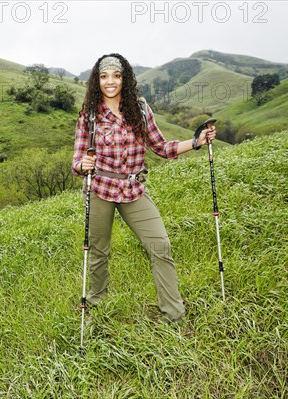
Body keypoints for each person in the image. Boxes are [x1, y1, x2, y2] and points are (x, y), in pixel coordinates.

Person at [72, 54, 216, 322]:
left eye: (116, 75)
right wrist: (84, 164)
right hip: (100, 189)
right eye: (104, 76)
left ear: (124, 78)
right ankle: (96, 306)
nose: (110, 82)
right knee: (99, 252)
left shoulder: (139, 108)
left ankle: (173, 315)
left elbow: (161, 146)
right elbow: (76, 162)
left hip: (133, 189)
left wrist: (195, 142)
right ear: (97, 80)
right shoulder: (89, 114)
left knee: (160, 245)